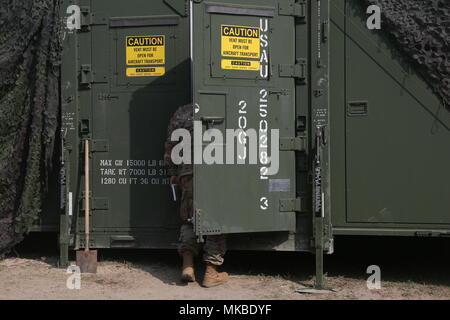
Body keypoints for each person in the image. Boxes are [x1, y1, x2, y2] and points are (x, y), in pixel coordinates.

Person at [164, 104, 228, 288]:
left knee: (189, 217)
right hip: (218, 170)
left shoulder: (183, 112)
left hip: (187, 172)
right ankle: (211, 271)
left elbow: (171, 145)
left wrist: (173, 172)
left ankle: (188, 266)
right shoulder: (224, 106)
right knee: (217, 217)